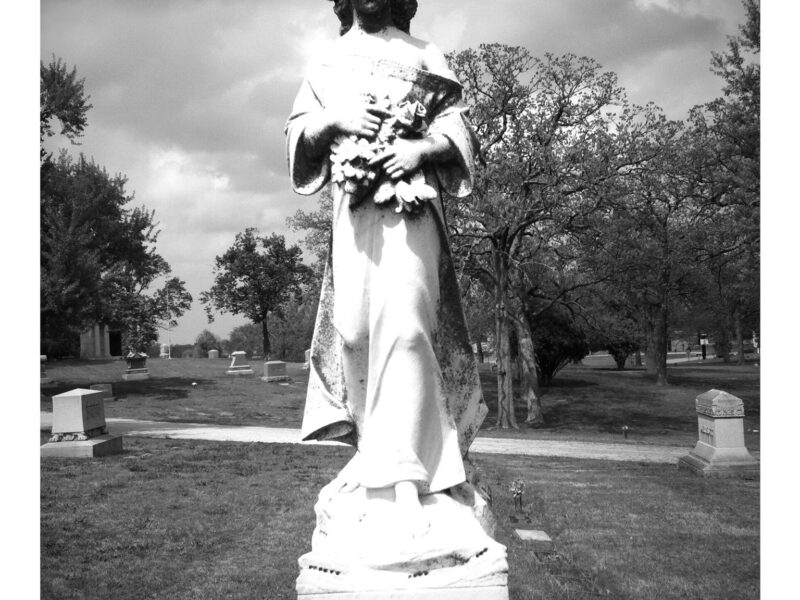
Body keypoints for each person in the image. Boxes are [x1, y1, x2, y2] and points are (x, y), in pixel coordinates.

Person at [285, 0, 485, 526]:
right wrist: (335, 121)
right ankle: (373, 451)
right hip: (355, 211)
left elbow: (460, 133)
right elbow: (297, 136)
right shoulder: (329, 60)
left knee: (408, 326)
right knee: (353, 331)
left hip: (412, 207)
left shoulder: (424, 54)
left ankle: (408, 474)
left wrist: (420, 150)